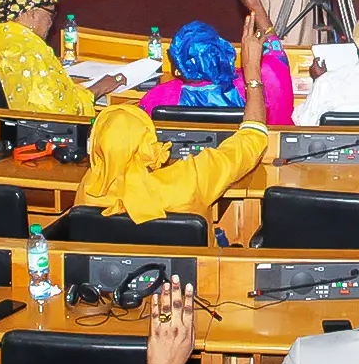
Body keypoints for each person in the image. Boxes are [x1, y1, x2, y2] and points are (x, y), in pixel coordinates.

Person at [75, 20, 269, 224]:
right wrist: (252, 69)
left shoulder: (88, 189)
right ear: (147, 146)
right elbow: (253, 137)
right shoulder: (189, 180)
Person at [138, 0, 295, 125]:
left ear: (177, 69)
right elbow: (276, 53)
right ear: (222, 52)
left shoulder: (158, 97)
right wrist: (256, 6)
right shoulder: (257, 85)